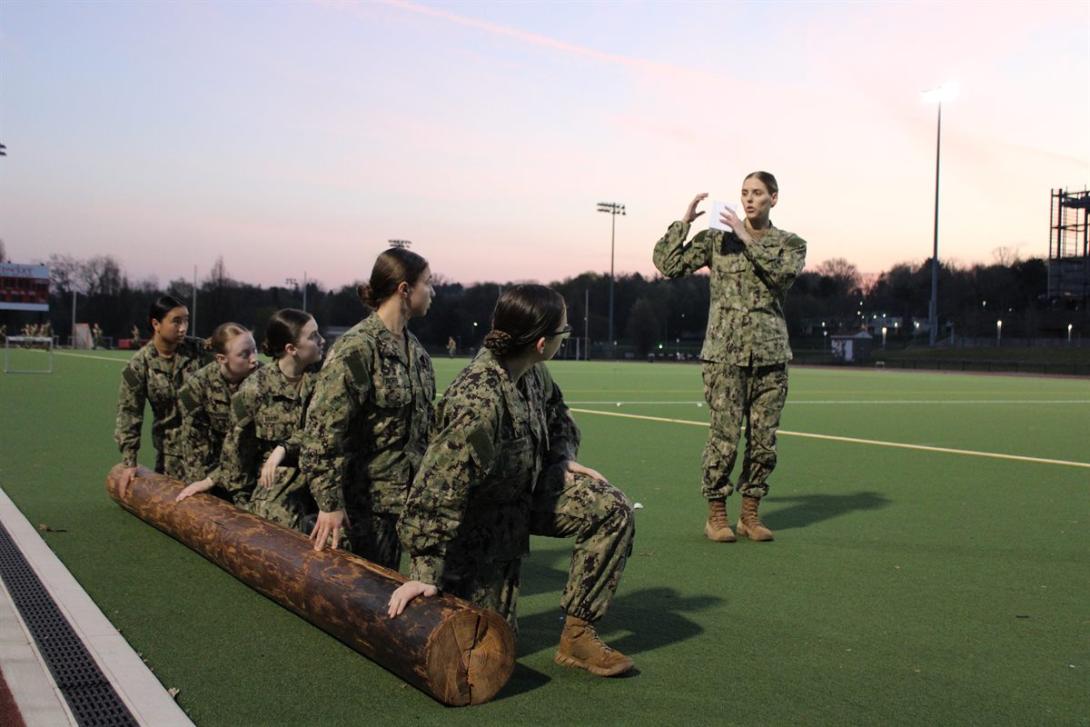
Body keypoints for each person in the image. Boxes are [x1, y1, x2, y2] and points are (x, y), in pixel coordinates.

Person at [388, 284, 636, 677]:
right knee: (487, 653)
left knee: (612, 509)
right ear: (541, 342)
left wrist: (561, 458)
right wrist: (423, 574)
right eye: (563, 333)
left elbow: (559, 416)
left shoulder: (534, 373)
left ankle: (578, 635)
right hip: (476, 529)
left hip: (524, 494)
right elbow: (435, 491)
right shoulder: (480, 402)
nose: (566, 338)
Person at [652, 172, 807, 542]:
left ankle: (750, 514)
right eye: (744, 193)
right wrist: (684, 222)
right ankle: (716, 515)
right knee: (724, 437)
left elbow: (781, 273)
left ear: (774, 198)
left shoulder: (790, 244)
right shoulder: (716, 240)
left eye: (757, 193)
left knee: (763, 440)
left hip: (770, 355)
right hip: (724, 355)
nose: (749, 200)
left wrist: (745, 235)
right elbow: (668, 265)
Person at [302, 248, 436, 567]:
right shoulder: (357, 349)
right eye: (427, 283)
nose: (432, 291)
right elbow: (322, 432)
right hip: (358, 510)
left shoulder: (417, 354)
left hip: (400, 505)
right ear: (404, 289)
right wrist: (329, 504)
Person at [114, 296, 210, 491]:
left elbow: (233, 354)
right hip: (171, 456)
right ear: (156, 324)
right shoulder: (139, 365)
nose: (183, 328)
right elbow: (129, 413)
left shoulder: (199, 351)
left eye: (186, 320)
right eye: (176, 321)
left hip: (208, 450)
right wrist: (129, 462)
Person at [173, 323, 260, 502]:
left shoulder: (264, 380)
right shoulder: (197, 386)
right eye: (244, 354)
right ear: (221, 358)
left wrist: (214, 479)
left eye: (255, 349)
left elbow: (251, 444)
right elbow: (194, 442)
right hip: (216, 463)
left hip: (254, 463)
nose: (254, 359)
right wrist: (201, 482)